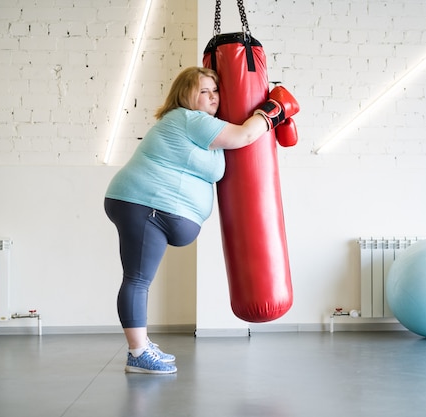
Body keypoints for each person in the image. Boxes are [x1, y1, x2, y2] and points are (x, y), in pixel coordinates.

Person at [104, 66, 299, 374]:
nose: (212, 97)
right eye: (203, 91)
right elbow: (245, 134)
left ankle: (141, 344)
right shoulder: (188, 118)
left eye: (216, 90)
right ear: (185, 95)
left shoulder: (203, 125)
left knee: (138, 279)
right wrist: (274, 112)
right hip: (144, 203)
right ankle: (137, 353)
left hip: (148, 206)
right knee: (138, 279)